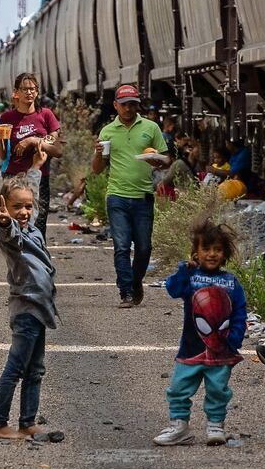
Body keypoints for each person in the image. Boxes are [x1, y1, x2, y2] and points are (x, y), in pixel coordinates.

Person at [155, 221, 247, 446]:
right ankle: (179, 425)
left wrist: (234, 338)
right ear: (196, 253)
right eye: (206, 249)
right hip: (191, 347)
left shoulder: (231, 282)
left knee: (218, 389)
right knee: (178, 387)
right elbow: (173, 289)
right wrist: (183, 271)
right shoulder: (191, 277)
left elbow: (240, 312)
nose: (212, 254)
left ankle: (215, 424)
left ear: (225, 253)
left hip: (223, 350)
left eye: (217, 249)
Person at [0, 157, 57, 441]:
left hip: (40, 308)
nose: (25, 211)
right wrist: (5, 221)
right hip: (26, 309)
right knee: (15, 368)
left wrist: (36, 169)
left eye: (28, 207)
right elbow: (8, 233)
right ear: (5, 206)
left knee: (35, 369)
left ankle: (27, 421)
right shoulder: (12, 234)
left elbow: (33, 193)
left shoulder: (34, 230)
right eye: (17, 207)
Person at [93, 84, 170, 308]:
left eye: (133, 104)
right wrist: (98, 154)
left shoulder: (151, 127)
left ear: (138, 105)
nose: (129, 108)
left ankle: (135, 282)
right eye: (124, 104)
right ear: (116, 105)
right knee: (122, 246)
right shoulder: (107, 132)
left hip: (143, 196)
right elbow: (97, 169)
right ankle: (126, 292)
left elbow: (166, 160)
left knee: (144, 247)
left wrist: (157, 159)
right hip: (117, 195)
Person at [0, 73, 64, 236]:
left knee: (38, 224)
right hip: (13, 178)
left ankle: (38, 259)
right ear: (16, 92)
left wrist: (33, 140)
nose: (29, 93)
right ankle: (19, 260)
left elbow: (56, 150)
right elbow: (2, 155)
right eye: (24, 89)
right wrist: (1, 140)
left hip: (40, 177)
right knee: (14, 225)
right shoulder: (7, 118)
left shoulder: (46, 116)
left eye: (32, 89)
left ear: (37, 92)